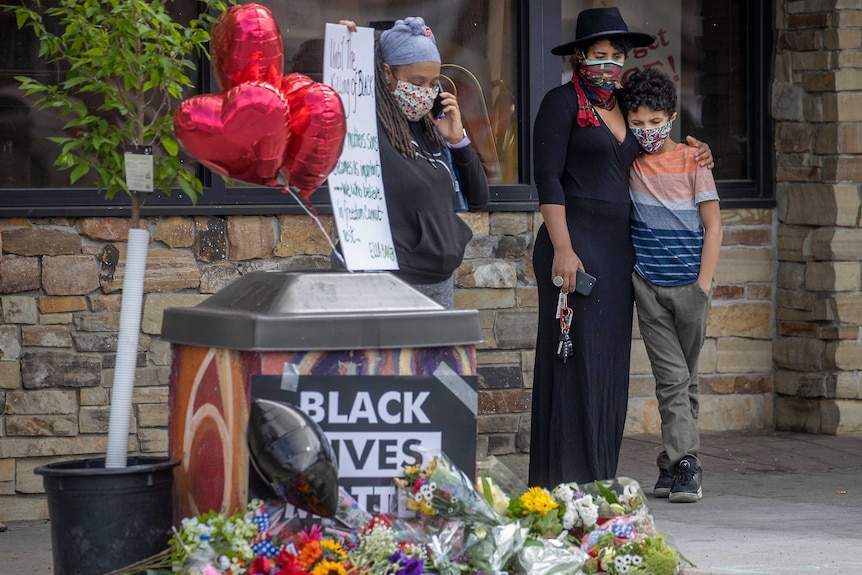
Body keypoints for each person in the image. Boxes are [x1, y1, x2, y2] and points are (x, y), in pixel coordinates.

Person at [529, 7, 713, 488]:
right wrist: (563, 249)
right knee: (574, 361)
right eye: (598, 55)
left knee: (609, 364)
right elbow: (546, 179)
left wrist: (698, 152)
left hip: (619, 250)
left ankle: (598, 477)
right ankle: (563, 479)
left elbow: (659, 140)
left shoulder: (625, 105)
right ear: (579, 56)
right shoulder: (560, 102)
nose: (608, 64)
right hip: (573, 244)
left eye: (616, 56)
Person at [619, 68, 721, 503]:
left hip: (690, 288)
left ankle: (673, 465)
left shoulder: (693, 160)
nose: (647, 131)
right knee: (674, 379)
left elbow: (713, 225)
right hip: (649, 286)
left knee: (686, 379)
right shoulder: (628, 162)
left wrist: (703, 284)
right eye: (637, 123)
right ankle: (686, 465)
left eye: (655, 122)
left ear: (672, 117)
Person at [337, 17, 489, 308]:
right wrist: (349, 49)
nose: (425, 92)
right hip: (387, 278)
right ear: (387, 73)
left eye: (433, 83)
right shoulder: (367, 126)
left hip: (435, 279)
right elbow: (339, 99)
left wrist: (458, 143)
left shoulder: (430, 128)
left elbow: (480, 199)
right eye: (417, 82)